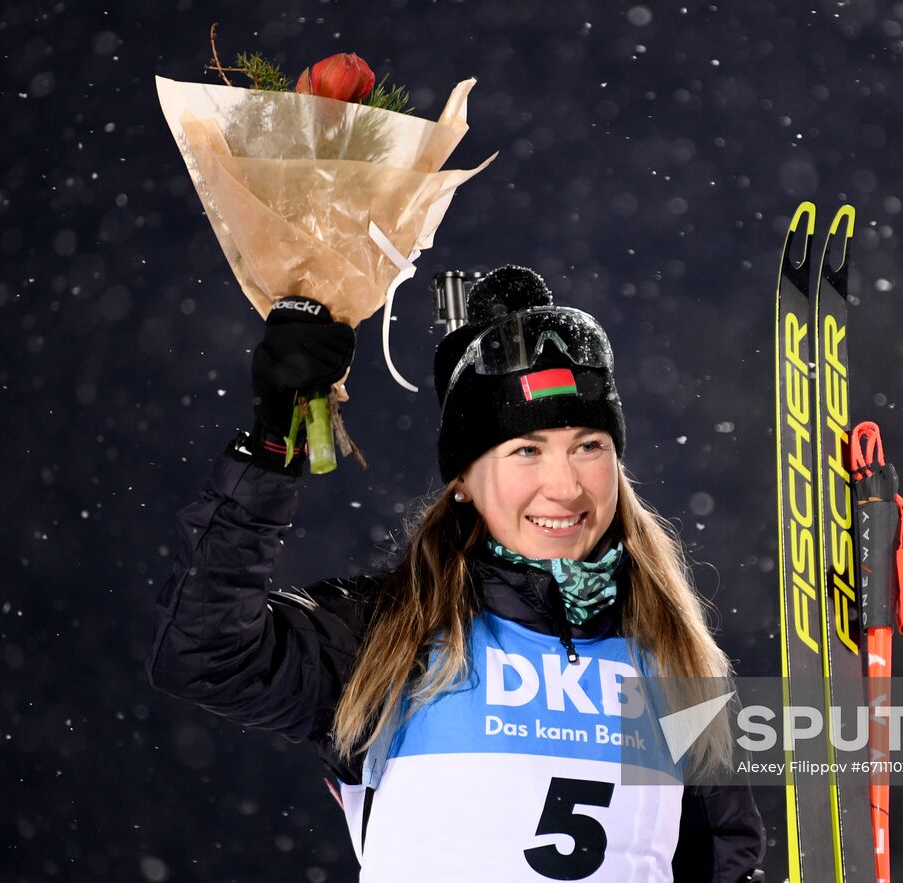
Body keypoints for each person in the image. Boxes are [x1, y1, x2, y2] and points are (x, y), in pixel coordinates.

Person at [148, 266, 766, 881]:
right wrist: (274, 446)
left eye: (589, 445)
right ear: (463, 481)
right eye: (526, 450)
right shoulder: (391, 639)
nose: (566, 485)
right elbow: (205, 653)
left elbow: (723, 862)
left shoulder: (675, 660)